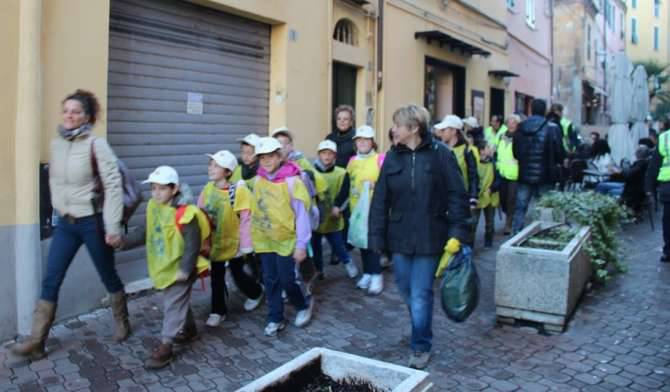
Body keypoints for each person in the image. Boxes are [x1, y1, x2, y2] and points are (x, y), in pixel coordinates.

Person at [12, 90, 130, 361]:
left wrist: (112, 226)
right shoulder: (57, 144)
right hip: (66, 223)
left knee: (107, 274)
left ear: (86, 116)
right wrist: (58, 207)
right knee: (52, 278)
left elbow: (113, 185)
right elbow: (54, 180)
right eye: (66, 110)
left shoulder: (96, 144)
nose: (69, 115)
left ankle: (122, 319)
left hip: (93, 222)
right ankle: (37, 341)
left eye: (76, 111)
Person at [369, 104, 470, 370]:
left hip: (431, 235)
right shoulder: (392, 158)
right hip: (399, 237)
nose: (393, 129)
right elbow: (380, 201)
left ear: (413, 128)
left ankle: (420, 344)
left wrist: (458, 233)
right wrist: (376, 239)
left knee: (421, 293)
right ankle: (419, 324)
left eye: (397, 125)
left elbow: (457, 196)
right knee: (405, 288)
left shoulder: (441, 155)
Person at [126, 166, 211, 369]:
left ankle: (166, 346)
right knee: (178, 301)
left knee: (173, 304)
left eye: (162, 189)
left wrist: (185, 268)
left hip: (182, 268)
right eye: (153, 188)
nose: (156, 193)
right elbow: (144, 232)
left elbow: (192, 243)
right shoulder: (153, 207)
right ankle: (189, 329)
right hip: (165, 267)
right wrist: (122, 242)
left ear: (174, 189)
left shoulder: (185, 213)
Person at [250, 137, 314, 336]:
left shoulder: (292, 181)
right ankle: (275, 317)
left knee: (287, 279)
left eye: (271, 156)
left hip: (287, 240)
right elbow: (256, 209)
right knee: (270, 279)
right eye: (262, 158)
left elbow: (302, 214)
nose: (267, 161)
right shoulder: (259, 180)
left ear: (279, 156)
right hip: (266, 239)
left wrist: (301, 244)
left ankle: (302, 305)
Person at [198, 150, 264, 328]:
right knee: (217, 277)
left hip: (235, 244)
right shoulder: (207, 189)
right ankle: (218, 310)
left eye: (216, 165)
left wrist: (246, 246)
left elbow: (246, 219)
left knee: (238, 274)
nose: (211, 168)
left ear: (228, 172)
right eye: (210, 164)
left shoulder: (238, 191)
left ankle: (256, 292)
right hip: (216, 243)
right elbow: (200, 214)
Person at [511, 99, 564, 234]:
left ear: (531, 109)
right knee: (546, 208)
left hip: (524, 175)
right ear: (545, 110)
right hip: (546, 175)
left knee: (520, 207)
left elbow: (515, 152)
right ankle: (543, 234)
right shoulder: (552, 128)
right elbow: (559, 153)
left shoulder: (520, 127)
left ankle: (515, 234)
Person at [311, 140, 358, 279]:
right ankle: (319, 270)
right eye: (324, 153)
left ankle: (348, 262)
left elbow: (344, 193)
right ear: (318, 155)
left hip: (333, 217)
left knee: (338, 245)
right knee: (315, 247)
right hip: (316, 218)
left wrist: (338, 207)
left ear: (335, 156)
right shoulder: (311, 173)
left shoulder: (342, 173)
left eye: (330, 153)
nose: (327, 156)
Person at [347, 125, 385, 295]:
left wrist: (375, 185)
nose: (362, 143)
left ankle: (377, 274)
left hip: (374, 209)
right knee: (361, 242)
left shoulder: (380, 159)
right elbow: (348, 183)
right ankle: (368, 273)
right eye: (359, 140)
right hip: (356, 210)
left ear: (372, 142)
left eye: (366, 140)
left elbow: (387, 184)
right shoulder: (352, 161)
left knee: (372, 242)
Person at [433, 115, 480, 212]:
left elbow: (473, 176)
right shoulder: (438, 149)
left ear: (454, 131)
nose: (441, 134)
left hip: (460, 200)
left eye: (444, 130)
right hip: (441, 200)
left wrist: (473, 198)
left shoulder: (467, 150)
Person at [646, 119, 670, 263]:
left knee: (668, 220)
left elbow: (654, 166)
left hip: (668, 186)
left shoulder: (665, 138)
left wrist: (649, 188)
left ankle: (668, 251)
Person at [471, 140, 500, 248]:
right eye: (488, 147)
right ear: (482, 151)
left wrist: (492, 188)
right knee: (473, 223)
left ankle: (488, 241)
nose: (491, 149)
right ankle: (470, 245)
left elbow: (498, 179)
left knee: (490, 223)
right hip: (477, 197)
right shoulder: (474, 163)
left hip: (490, 197)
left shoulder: (493, 163)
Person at [496, 114, 520, 235]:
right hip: (502, 172)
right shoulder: (502, 136)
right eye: (509, 122)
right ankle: (509, 216)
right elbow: (497, 152)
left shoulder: (520, 137)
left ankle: (508, 224)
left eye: (514, 122)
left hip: (514, 174)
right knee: (503, 200)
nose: (511, 124)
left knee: (511, 200)